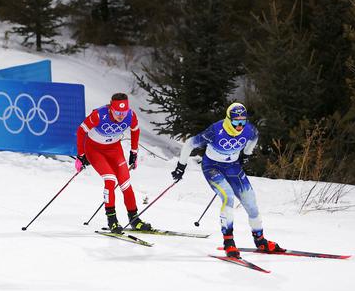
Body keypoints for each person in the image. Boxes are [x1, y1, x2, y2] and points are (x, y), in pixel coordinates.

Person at [171, 102, 284, 258]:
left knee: (251, 201)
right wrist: (180, 166)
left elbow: (255, 137)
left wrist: (247, 154)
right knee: (228, 197)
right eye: (236, 121)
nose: (239, 125)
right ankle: (229, 242)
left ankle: (260, 240)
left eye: (242, 121)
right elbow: (190, 143)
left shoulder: (249, 129)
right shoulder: (215, 130)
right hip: (212, 167)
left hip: (233, 167)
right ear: (228, 119)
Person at [76, 93, 150, 234]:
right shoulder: (98, 115)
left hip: (115, 150)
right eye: (118, 112)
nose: (121, 116)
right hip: (95, 150)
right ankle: (112, 221)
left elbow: (135, 130)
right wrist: (81, 155)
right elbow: (81, 131)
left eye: (124, 112)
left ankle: (134, 220)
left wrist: (134, 152)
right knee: (110, 180)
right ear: (111, 108)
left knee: (125, 184)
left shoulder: (131, 115)